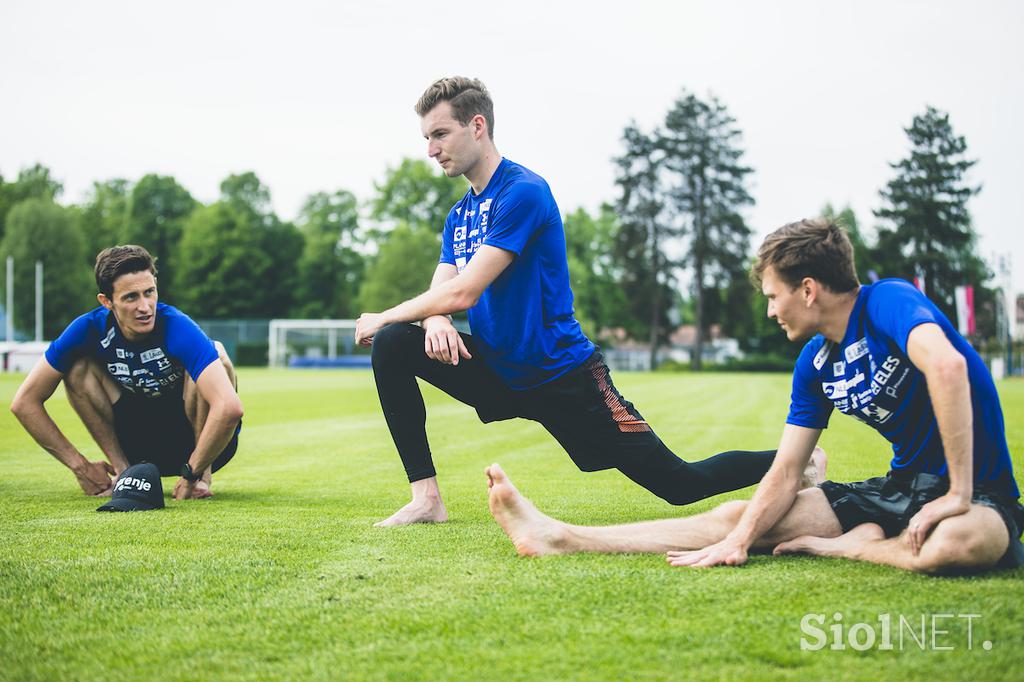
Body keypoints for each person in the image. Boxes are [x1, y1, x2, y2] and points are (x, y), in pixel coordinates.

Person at [355, 76, 815, 527]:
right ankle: (426, 499)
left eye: (440, 134)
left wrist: (388, 314)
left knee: (679, 484)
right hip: (498, 368)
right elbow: (443, 291)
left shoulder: (523, 192)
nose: (431, 150)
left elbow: (464, 291)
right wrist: (434, 318)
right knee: (395, 343)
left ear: (477, 126)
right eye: (426, 138)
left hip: (563, 375)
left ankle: (802, 463)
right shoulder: (458, 215)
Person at [484, 218, 1024, 575]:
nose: (771, 310)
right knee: (739, 517)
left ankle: (856, 545)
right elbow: (788, 471)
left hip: (979, 495)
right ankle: (561, 537)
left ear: (808, 289)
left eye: (774, 296)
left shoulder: (886, 302)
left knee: (956, 545)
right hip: (897, 490)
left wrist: (957, 493)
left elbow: (948, 366)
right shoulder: (814, 364)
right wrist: (741, 538)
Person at [10, 245, 244, 500]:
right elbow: (24, 403)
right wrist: (81, 467)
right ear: (106, 301)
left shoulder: (177, 326)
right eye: (131, 297)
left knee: (217, 357)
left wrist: (191, 473)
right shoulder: (87, 328)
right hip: (138, 445)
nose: (145, 307)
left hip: (198, 445)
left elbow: (230, 407)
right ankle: (124, 473)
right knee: (77, 368)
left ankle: (201, 479)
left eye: (149, 292)